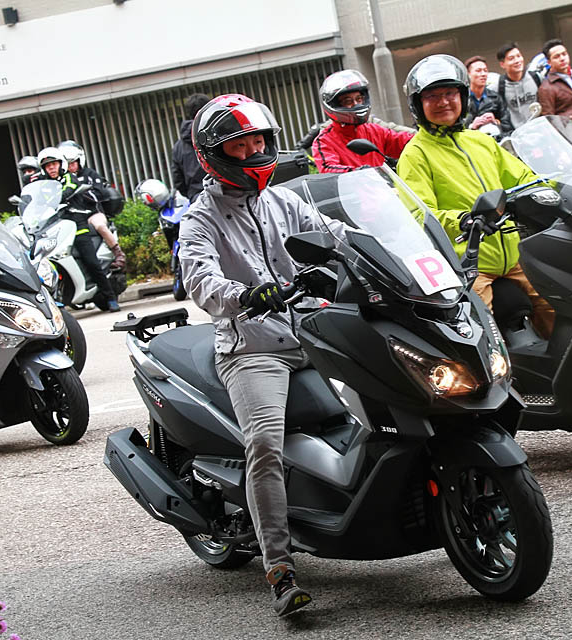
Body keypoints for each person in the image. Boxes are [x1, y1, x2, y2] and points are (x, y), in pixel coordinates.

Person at [179, 93, 347, 616]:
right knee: (266, 445)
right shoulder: (199, 218)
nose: (253, 151)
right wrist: (246, 295)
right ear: (214, 153)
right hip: (252, 347)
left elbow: (334, 234)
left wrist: (392, 252)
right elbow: (200, 280)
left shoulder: (283, 200)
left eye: (258, 140)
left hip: (314, 330)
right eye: (240, 144)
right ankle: (279, 566)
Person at [396, 54, 554, 338]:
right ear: (418, 105)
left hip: (516, 255)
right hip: (469, 265)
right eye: (432, 96)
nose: (443, 102)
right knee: (484, 336)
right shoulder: (415, 153)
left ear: (463, 97)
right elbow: (419, 213)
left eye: (449, 93)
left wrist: (552, 187)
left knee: (559, 307)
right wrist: (465, 220)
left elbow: (522, 177)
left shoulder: (481, 141)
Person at [37, 147, 122, 312]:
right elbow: (39, 202)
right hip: (56, 228)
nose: (51, 168)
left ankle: (110, 297)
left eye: (53, 164)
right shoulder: (44, 185)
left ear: (60, 164)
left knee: (91, 261)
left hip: (77, 226)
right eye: (47, 166)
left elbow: (66, 191)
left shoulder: (70, 178)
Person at [312, 69, 414, 172]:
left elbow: (401, 141)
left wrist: (424, 135)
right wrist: (358, 173)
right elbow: (328, 168)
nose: (356, 104)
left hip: (384, 187)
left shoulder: (373, 130)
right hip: (350, 187)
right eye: (348, 101)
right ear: (334, 105)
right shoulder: (324, 141)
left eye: (359, 99)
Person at [58, 140, 126, 271]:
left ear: (79, 161)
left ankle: (118, 254)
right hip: (71, 217)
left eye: (73, 163)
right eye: (68, 164)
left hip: (92, 213)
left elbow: (101, 193)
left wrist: (82, 193)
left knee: (100, 225)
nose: (71, 167)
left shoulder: (89, 174)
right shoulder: (62, 180)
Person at [172, 93, 210, 202]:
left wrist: (191, 194)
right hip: (224, 194)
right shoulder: (218, 135)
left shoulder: (178, 147)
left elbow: (178, 180)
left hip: (197, 199)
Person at [496, 42, 543, 128]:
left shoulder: (536, 78)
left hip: (539, 130)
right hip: (516, 134)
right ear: (502, 64)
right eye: (511, 58)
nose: (517, 61)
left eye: (518, 56)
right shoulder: (498, 86)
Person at [463, 55, 513, 136]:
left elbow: (507, 126)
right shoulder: (462, 99)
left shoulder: (495, 98)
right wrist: (472, 126)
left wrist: (495, 122)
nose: (483, 74)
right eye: (478, 71)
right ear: (468, 74)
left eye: (485, 70)